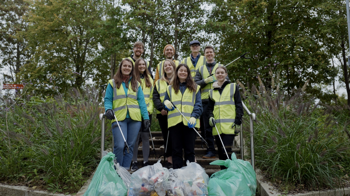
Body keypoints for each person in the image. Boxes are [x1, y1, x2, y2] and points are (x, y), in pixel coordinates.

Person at [104, 58, 150, 170]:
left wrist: (146, 118)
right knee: (119, 146)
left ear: (132, 69)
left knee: (130, 146)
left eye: (129, 66)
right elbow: (108, 99)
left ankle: (124, 172)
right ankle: (117, 171)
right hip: (119, 118)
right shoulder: (112, 83)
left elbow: (142, 102)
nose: (127, 68)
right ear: (121, 67)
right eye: (125, 66)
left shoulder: (136, 84)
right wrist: (108, 109)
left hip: (135, 119)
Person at [163, 64, 202, 169]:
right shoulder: (170, 88)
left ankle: (190, 175)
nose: (183, 72)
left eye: (185, 71)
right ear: (177, 72)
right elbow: (166, 101)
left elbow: (198, 105)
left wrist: (194, 116)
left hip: (190, 123)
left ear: (188, 73)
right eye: (181, 70)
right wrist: (166, 103)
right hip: (174, 123)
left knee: (190, 150)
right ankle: (178, 174)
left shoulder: (195, 88)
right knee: (176, 150)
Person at [194, 45, 230, 159]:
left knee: (219, 125)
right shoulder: (200, 69)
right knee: (207, 128)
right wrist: (205, 81)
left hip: (218, 101)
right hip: (205, 101)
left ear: (214, 54)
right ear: (205, 55)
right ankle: (211, 149)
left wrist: (219, 82)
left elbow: (227, 82)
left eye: (211, 52)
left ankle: (221, 149)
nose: (209, 54)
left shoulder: (220, 67)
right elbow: (195, 84)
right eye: (207, 53)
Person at [207, 66, 243, 169]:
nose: (220, 74)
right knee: (221, 153)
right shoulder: (211, 91)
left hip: (229, 126)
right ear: (215, 75)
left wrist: (238, 120)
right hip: (217, 127)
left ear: (226, 74)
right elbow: (209, 108)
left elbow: (238, 104)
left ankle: (230, 174)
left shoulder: (232, 87)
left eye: (222, 72)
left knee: (226, 151)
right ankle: (224, 175)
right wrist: (210, 117)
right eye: (218, 73)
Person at [130, 58, 154, 171]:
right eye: (139, 64)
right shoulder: (132, 79)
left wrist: (149, 110)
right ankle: (134, 161)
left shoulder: (150, 79)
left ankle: (145, 161)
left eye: (143, 64)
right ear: (136, 66)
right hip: (135, 112)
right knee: (135, 138)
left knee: (145, 137)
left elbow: (152, 97)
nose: (141, 66)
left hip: (147, 113)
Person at [152, 59, 176, 168]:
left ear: (173, 67)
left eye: (169, 65)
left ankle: (177, 159)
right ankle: (169, 160)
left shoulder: (179, 79)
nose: (168, 67)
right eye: (165, 66)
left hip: (176, 114)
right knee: (166, 137)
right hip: (163, 114)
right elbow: (155, 97)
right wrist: (161, 108)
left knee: (176, 137)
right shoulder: (158, 82)